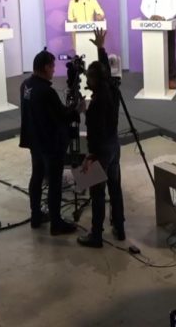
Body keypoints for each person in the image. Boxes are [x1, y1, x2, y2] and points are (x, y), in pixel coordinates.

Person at [19, 49, 80, 236]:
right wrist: (77, 109)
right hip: (50, 144)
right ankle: (56, 223)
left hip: (34, 141)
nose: (54, 70)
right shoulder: (47, 91)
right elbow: (62, 116)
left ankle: (36, 216)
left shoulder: (25, 85)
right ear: (46, 67)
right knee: (54, 183)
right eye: (53, 66)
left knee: (37, 177)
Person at [77, 29, 125, 248]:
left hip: (101, 150)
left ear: (94, 80)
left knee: (97, 192)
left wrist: (90, 156)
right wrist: (100, 48)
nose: (86, 79)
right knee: (115, 187)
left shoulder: (96, 104)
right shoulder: (112, 89)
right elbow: (105, 70)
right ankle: (120, 227)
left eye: (89, 77)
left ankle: (96, 234)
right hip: (114, 145)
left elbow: (95, 131)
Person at [140, 0, 176, 89]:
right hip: (152, 26)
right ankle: (154, 77)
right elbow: (143, 7)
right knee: (153, 52)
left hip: (167, 25)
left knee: (170, 52)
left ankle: (171, 78)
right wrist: (151, 16)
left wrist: (163, 17)